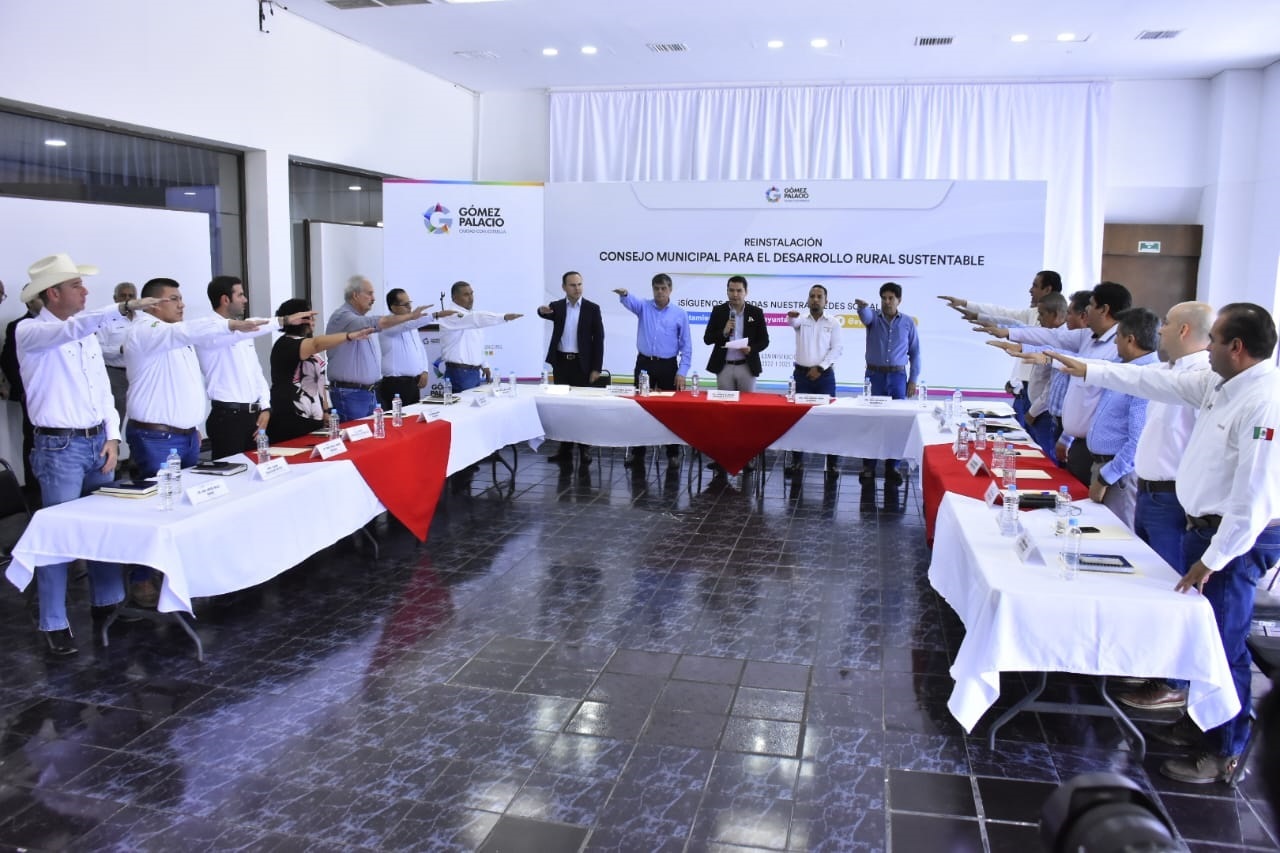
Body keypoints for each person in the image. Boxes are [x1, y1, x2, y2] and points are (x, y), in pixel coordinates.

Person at [1048, 303, 1280, 785]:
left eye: (1215, 339)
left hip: (1235, 538)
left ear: (1237, 348)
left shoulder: (1264, 402)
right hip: (1208, 528)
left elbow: (1254, 498)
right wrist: (1088, 369)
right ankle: (1201, 723)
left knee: (1223, 640)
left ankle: (1225, 749)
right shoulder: (1220, 384)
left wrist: (1212, 559)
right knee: (1203, 632)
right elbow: (1151, 382)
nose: (1207, 346)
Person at [15, 253, 157, 656]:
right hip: (59, 446)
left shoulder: (84, 333)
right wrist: (123, 308)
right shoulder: (30, 331)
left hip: (96, 442)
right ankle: (53, 620)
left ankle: (108, 602)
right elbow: (68, 330)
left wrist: (111, 437)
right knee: (58, 536)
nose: (85, 291)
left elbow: (103, 392)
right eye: (76, 285)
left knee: (102, 527)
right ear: (53, 293)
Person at [991, 282, 1132, 485]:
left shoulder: (1118, 348)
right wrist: (1011, 335)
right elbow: (1053, 336)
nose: (1087, 310)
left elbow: (1091, 367)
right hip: (1076, 441)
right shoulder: (1089, 335)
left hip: (1098, 449)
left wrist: (1047, 358)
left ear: (1104, 309)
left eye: (1091, 305)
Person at [197, 275, 310, 460]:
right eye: (240, 295)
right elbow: (246, 329)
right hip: (228, 418)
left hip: (253, 417)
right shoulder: (208, 329)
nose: (245, 300)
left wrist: (265, 407)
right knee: (233, 471)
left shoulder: (244, 332)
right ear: (225, 299)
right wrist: (283, 321)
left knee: (256, 467)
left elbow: (256, 373)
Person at [939, 270, 1064, 424]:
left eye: (1035, 286)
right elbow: (1004, 314)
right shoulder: (1033, 313)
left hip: (1040, 402)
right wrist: (968, 306)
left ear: (1048, 290)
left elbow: (1037, 351)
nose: (1030, 290)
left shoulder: (1061, 331)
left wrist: (1005, 333)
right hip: (1023, 391)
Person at [1080, 307, 1160, 528]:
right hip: (1105, 468)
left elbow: (1137, 442)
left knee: (1117, 536)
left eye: (1118, 337)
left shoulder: (1145, 378)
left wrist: (1106, 477)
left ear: (1130, 339)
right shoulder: (1125, 369)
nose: (1115, 342)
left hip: (1117, 475)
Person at [325, 275, 437, 421]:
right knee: (357, 435)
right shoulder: (343, 316)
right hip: (351, 393)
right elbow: (379, 322)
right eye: (369, 293)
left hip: (368, 392)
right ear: (355, 295)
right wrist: (412, 316)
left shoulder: (358, 320)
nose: (374, 298)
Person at [613, 273, 692, 469]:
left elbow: (686, 346)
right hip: (644, 364)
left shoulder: (679, 314)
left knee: (671, 411)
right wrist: (624, 294)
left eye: (663, 288)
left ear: (670, 290)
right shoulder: (644, 307)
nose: (659, 292)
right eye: (656, 288)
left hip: (668, 366)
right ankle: (638, 453)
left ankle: (672, 454)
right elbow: (631, 301)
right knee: (639, 408)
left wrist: (682, 371)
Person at [270, 298, 375, 443]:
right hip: (293, 415)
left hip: (314, 414)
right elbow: (316, 343)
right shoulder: (285, 344)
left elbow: (320, 381)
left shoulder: (305, 344)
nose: (314, 321)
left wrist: (325, 410)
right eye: (309, 317)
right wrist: (349, 336)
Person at [855, 282, 920, 484]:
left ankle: (893, 466)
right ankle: (869, 466)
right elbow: (865, 316)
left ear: (899, 300)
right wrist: (862, 308)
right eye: (883, 298)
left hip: (898, 377)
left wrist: (913, 379)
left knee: (896, 422)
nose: (887, 301)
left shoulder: (908, 323)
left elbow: (915, 353)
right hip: (874, 377)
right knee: (872, 421)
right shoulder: (873, 318)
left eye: (891, 298)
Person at [537, 271, 605, 466]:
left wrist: (596, 368)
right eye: (573, 285)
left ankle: (584, 449)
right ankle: (564, 449)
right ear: (564, 287)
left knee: (582, 409)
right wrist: (540, 310)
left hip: (582, 365)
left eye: (579, 284)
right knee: (563, 408)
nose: (577, 288)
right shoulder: (557, 306)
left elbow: (599, 339)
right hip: (561, 364)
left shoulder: (592, 308)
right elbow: (543, 313)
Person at [786, 284, 844, 474]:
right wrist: (791, 317)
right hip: (801, 376)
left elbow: (837, 349)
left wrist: (820, 368)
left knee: (830, 420)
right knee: (797, 420)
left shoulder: (833, 323)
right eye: (812, 296)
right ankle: (797, 461)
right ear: (808, 299)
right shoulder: (801, 320)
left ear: (826, 301)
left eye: (819, 296)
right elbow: (792, 322)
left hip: (824, 377)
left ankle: (832, 463)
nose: (815, 299)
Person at [436, 280, 523, 393]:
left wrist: (483, 364)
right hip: (459, 373)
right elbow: (476, 318)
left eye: (471, 293)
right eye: (466, 295)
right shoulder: (451, 314)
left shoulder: (469, 316)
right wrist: (503, 317)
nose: (471, 298)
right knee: (463, 404)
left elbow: (475, 344)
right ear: (454, 298)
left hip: (473, 372)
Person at [379, 288, 448, 409]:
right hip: (396, 384)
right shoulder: (387, 324)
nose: (410, 307)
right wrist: (435, 315)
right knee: (397, 419)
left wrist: (424, 370)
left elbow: (419, 348)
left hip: (413, 383)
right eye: (405, 304)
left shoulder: (411, 324)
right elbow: (407, 325)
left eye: (409, 303)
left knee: (412, 418)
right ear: (393, 307)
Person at [1, 294, 41, 491]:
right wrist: (22, 388)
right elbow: (9, 360)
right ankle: (33, 487)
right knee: (32, 438)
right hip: (31, 393)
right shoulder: (18, 326)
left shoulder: (60, 324)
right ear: (29, 302)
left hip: (55, 394)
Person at [704, 275, 769, 392]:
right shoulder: (719, 311)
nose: (735, 294)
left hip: (747, 366)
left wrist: (751, 349)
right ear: (727, 291)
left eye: (739, 290)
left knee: (747, 402)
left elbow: (764, 341)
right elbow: (707, 339)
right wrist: (724, 332)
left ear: (746, 292)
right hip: (724, 366)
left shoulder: (756, 312)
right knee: (725, 402)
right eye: (731, 290)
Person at [95, 281, 137, 437]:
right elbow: (96, 349)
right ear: (115, 298)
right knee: (116, 417)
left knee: (141, 415)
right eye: (123, 296)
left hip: (139, 373)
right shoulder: (106, 320)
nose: (127, 299)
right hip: (115, 375)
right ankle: (112, 448)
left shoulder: (142, 319)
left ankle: (137, 451)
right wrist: (119, 350)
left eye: (131, 296)